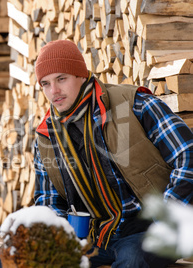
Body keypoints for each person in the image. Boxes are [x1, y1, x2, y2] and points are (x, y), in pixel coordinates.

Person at [31, 40, 193, 267]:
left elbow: (188, 157)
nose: (54, 91)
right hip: (95, 238)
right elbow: (48, 200)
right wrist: (62, 238)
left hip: (150, 229)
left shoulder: (134, 104)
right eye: (45, 84)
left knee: (132, 259)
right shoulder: (47, 136)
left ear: (80, 75)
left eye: (61, 79)